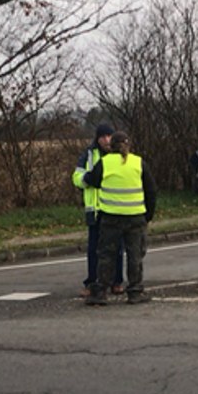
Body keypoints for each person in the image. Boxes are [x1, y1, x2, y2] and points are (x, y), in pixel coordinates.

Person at [81, 132, 157, 306]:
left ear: (111, 146)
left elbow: (91, 180)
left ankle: (100, 293)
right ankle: (135, 292)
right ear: (128, 145)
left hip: (110, 217)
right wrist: (148, 215)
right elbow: (151, 190)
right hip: (135, 217)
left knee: (106, 254)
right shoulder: (138, 162)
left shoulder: (105, 162)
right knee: (135, 255)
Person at [71, 123, 124, 297]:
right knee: (94, 249)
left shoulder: (119, 154)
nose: (106, 140)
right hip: (95, 210)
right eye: (103, 137)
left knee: (116, 247)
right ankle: (92, 282)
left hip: (114, 208)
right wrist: (87, 179)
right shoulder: (89, 154)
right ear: (98, 138)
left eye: (109, 136)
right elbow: (76, 176)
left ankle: (117, 281)